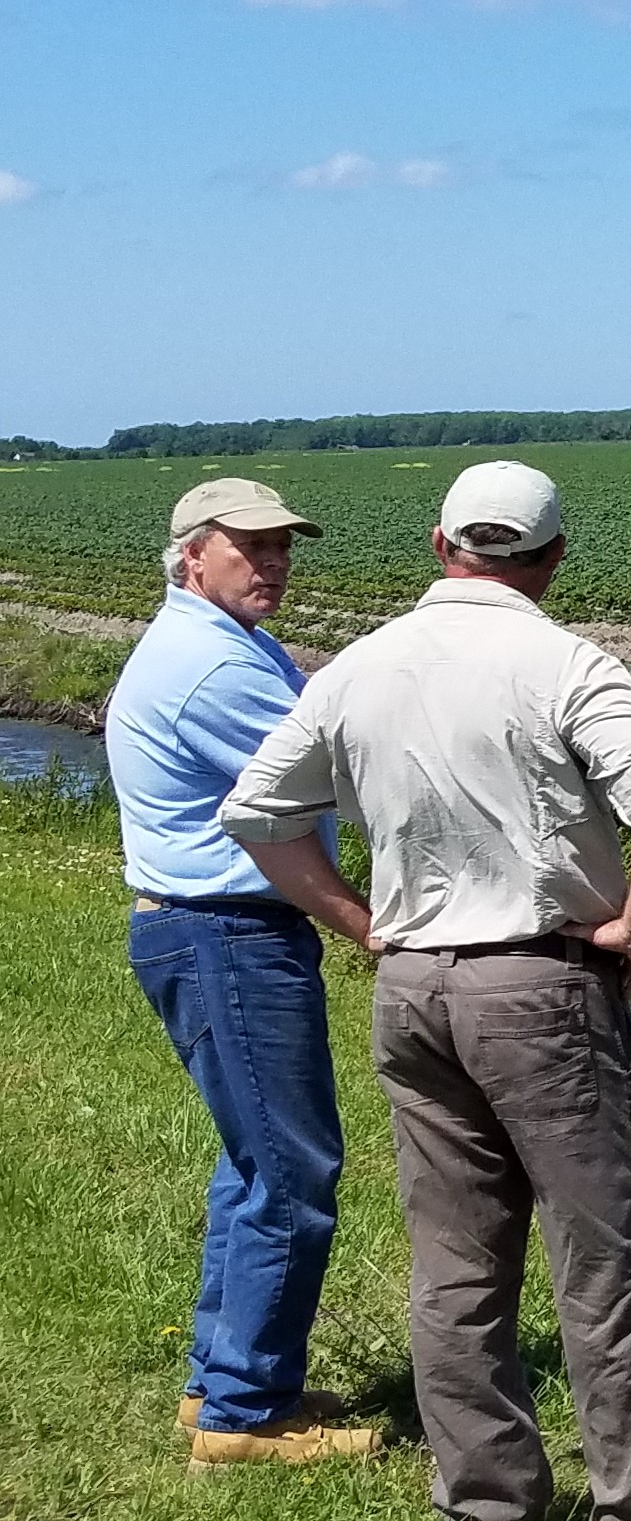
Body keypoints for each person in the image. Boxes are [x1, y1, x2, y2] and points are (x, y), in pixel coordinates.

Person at [223, 461, 631, 1521]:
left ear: (439, 543)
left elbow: (259, 814)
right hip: (542, 985)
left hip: (412, 990)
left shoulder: (357, 669)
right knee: (603, 1256)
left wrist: (364, 924)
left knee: (454, 1264)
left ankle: (488, 1498)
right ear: (553, 558)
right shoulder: (562, 662)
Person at [109, 477, 384, 1468]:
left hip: (211, 930)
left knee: (254, 1161)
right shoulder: (207, 667)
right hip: (228, 933)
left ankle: (219, 1381)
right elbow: (332, 778)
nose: (274, 563)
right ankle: (245, 1416)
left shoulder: (228, 643)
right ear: (194, 553)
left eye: (283, 547)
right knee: (293, 1172)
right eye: (251, 546)